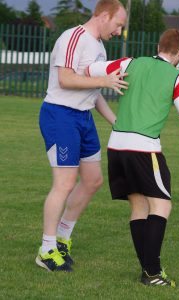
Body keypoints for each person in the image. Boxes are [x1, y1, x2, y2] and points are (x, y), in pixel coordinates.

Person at [86, 29, 179, 286]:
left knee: (138, 206)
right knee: (162, 206)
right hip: (143, 149)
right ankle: (152, 272)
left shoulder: (129, 62)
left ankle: (148, 271)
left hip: (116, 146)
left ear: (158, 45)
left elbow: (90, 70)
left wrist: (106, 81)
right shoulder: (176, 77)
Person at [36, 0, 129, 272]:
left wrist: (115, 121)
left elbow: (93, 91)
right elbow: (65, 79)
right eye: (118, 24)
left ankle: (62, 239)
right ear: (103, 16)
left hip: (83, 117)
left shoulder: (99, 47)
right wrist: (104, 80)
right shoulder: (73, 37)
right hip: (60, 116)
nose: (119, 30)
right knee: (64, 183)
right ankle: (46, 249)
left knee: (93, 180)